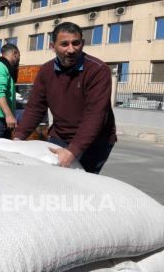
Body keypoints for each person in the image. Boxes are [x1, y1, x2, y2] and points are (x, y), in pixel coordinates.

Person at [14, 22, 116, 174]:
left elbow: (95, 115)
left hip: (95, 141)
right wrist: (18, 138)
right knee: (54, 179)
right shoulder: (46, 71)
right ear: (52, 46)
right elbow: (35, 108)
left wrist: (73, 151)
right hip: (60, 136)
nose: (71, 49)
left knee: (81, 183)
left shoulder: (98, 70)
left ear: (82, 43)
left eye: (76, 43)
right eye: (64, 44)